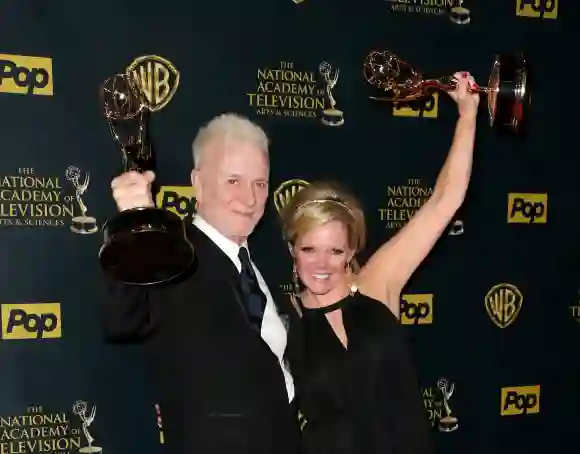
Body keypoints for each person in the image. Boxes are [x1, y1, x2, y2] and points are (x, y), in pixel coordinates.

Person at [281, 73, 479, 454]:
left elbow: (445, 200)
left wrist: (467, 114)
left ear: (352, 250)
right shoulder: (281, 322)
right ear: (293, 249)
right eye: (309, 250)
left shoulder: (377, 283)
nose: (322, 264)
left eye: (335, 251)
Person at [100, 113, 301, 454]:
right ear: (198, 182)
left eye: (260, 183)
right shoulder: (170, 254)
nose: (250, 199)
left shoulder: (270, 260)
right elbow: (120, 319)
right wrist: (136, 228)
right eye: (233, 181)